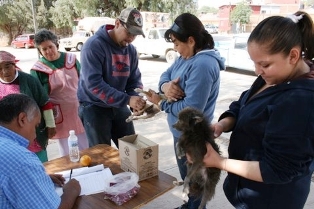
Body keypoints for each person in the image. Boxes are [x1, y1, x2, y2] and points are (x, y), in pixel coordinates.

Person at [198, 11, 314, 209]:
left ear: (293, 55)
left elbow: (277, 170)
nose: (257, 71)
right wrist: (222, 124)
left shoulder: (300, 101)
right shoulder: (274, 76)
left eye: (264, 64)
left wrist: (220, 162)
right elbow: (243, 103)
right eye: (254, 62)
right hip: (246, 191)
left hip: (269, 200)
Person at [146, 13, 225, 209]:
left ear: (191, 40)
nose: (175, 48)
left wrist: (162, 103)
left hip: (193, 137)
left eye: (176, 43)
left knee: (196, 183)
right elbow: (166, 74)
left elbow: (191, 109)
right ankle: (189, 205)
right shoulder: (186, 56)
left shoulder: (203, 64)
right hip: (180, 133)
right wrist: (165, 87)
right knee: (188, 179)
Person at [77, 7, 146, 148]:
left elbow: (134, 80)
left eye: (135, 35)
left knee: (131, 149)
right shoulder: (93, 46)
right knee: (102, 155)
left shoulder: (131, 51)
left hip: (118, 104)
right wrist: (127, 99)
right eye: (129, 33)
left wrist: (136, 100)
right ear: (117, 23)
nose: (131, 38)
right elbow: (94, 85)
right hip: (93, 106)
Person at [0, 94, 81, 209]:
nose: (35, 134)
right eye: (35, 126)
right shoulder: (21, 161)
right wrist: (71, 191)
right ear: (22, 119)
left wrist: (36, 178)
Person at [30, 29, 88, 156]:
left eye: (50, 47)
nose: (48, 51)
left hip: (80, 110)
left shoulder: (71, 59)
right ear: (40, 51)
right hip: (58, 115)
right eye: (44, 49)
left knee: (86, 147)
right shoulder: (38, 69)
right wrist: (48, 123)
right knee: (67, 152)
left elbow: (84, 82)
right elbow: (39, 98)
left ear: (56, 44)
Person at [0, 50, 56, 162]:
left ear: (14, 65)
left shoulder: (29, 80)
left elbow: (44, 102)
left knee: (42, 164)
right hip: (10, 136)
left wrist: (50, 125)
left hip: (32, 130)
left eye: (7, 66)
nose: (4, 71)